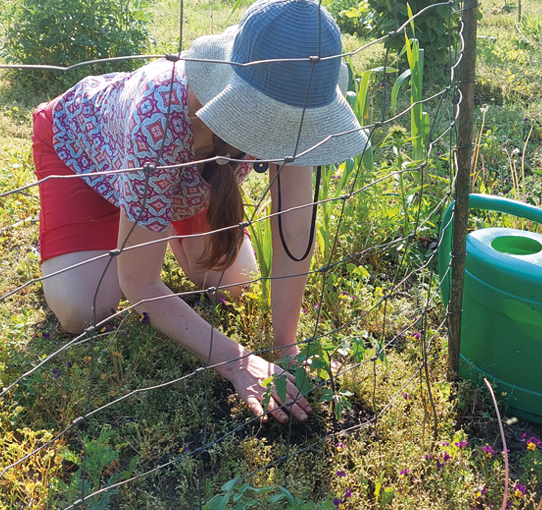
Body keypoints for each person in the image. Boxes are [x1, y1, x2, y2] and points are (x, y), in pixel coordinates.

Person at [30, 0, 368, 424]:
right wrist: (236, 361)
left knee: (235, 284)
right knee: (85, 310)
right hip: (82, 156)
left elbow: (294, 231)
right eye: (273, 124)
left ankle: (152, 220)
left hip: (187, 180)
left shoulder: (291, 98)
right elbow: (138, 282)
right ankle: (145, 222)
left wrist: (288, 349)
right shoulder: (158, 122)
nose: (283, 136)